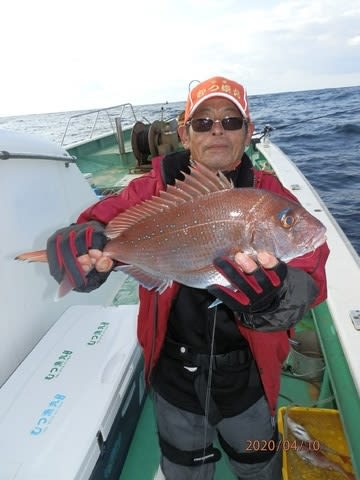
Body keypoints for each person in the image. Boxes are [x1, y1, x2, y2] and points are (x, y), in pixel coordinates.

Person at [46, 76, 329, 480]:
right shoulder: (151, 189)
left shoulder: (269, 194)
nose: (217, 129)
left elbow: (313, 263)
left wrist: (279, 297)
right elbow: (101, 223)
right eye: (203, 122)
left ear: (248, 132)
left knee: (257, 463)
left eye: (231, 121)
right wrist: (82, 248)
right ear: (184, 133)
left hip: (249, 372)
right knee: (182, 466)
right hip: (171, 369)